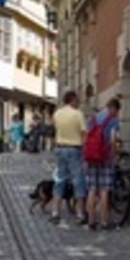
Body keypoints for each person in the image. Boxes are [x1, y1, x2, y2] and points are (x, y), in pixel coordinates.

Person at [47, 90, 87, 225]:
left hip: (60, 148)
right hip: (74, 149)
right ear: (73, 100)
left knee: (59, 180)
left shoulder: (57, 114)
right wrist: (85, 151)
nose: (79, 102)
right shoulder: (78, 114)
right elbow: (83, 133)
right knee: (78, 180)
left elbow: (53, 131)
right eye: (78, 100)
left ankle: (55, 211)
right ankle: (80, 213)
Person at [83, 97, 122, 230]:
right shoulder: (113, 120)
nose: (117, 114)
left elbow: (86, 136)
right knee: (104, 190)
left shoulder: (93, 118)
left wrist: (85, 156)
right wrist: (114, 154)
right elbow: (112, 139)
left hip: (91, 157)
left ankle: (91, 221)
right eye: (117, 111)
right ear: (114, 109)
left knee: (92, 189)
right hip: (104, 158)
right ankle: (104, 221)